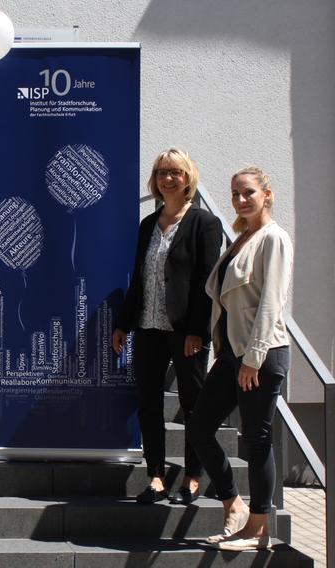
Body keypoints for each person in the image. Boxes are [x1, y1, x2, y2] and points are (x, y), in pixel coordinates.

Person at [188, 166, 293, 551]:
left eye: (248, 192)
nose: (240, 199)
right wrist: (229, 352)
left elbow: (271, 303)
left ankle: (259, 530)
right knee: (200, 427)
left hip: (260, 355)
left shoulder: (273, 238)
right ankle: (235, 504)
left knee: (256, 438)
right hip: (233, 356)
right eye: (235, 193)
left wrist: (254, 356)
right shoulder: (241, 239)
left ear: (268, 193)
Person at [112, 149, 222, 504]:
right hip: (148, 326)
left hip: (185, 331)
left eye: (175, 172)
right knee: (148, 402)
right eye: (161, 172)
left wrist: (197, 332)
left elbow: (208, 281)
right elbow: (140, 278)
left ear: (188, 177)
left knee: (193, 406)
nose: (167, 178)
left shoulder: (204, 223)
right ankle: (156, 476)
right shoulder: (148, 223)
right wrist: (124, 323)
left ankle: (192, 476)